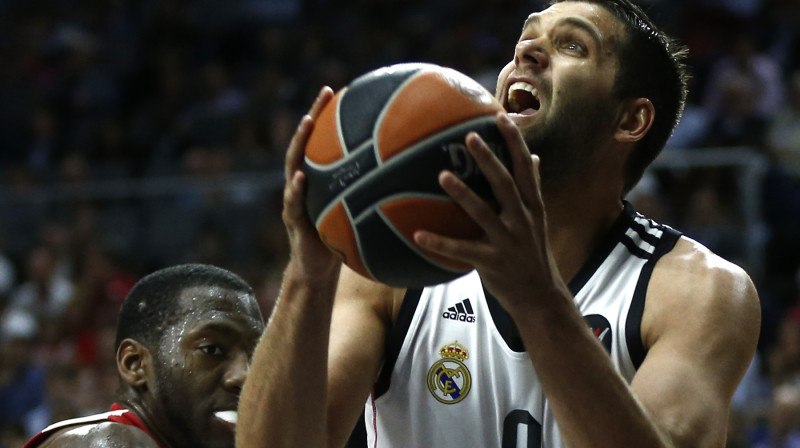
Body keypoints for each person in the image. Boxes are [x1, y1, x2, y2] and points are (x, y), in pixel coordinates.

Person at [237, 0, 762, 446]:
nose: (524, 54)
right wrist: (309, 275)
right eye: (525, 40)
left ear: (630, 120)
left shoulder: (699, 291)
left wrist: (540, 301)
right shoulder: (397, 260)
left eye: (572, 46)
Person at [24, 263, 265, 448]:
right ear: (135, 364)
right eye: (211, 350)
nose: (244, 376)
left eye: (256, 355)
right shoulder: (110, 441)